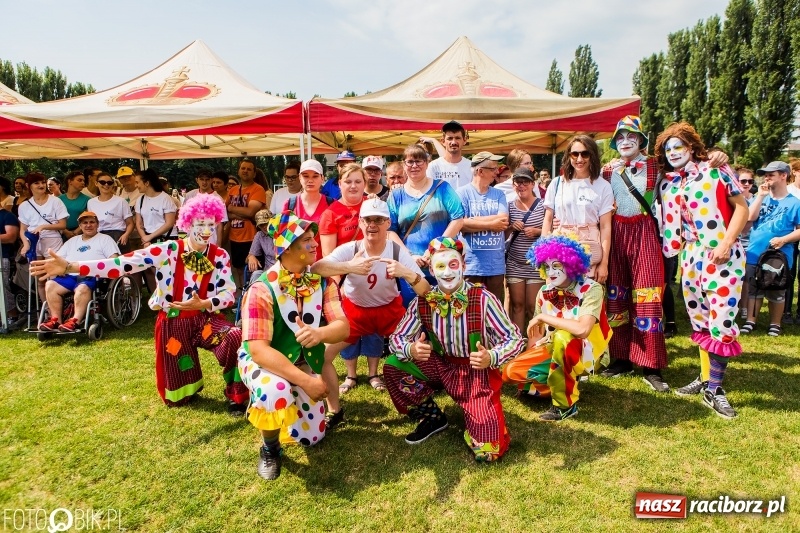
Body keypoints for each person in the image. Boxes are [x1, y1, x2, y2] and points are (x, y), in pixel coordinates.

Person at [32, 194, 249, 412]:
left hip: (205, 320)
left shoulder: (220, 255)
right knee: (179, 394)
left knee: (234, 336)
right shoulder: (167, 250)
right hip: (173, 323)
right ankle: (187, 388)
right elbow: (121, 264)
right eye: (200, 224)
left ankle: (237, 394)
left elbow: (229, 293)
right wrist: (71, 267)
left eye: (211, 225)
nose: (206, 231)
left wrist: (205, 303)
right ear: (188, 224)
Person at [383, 237, 524, 462]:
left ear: (464, 265)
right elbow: (396, 339)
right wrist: (411, 349)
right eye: (440, 266)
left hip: (475, 372)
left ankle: (477, 418)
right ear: (431, 270)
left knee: (489, 452)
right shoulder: (423, 301)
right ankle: (432, 417)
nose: (447, 272)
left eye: (453, 264)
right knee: (393, 365)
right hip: (440, 364)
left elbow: (514, 338)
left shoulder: (483, 299)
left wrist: (492, 356)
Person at [237, 211, 350, 480]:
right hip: (263, 364)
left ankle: (290, 410)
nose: (315, 244)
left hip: (301, 363)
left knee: (312, 437)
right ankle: (270, 447)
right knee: (275, 390)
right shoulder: (261, 289)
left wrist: (320, 333)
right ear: (287, 248)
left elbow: (343, 327)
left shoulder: (322, 282)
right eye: (307, 240)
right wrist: (307, 381)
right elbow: (258, 350)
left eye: (313, 238)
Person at [655, 122, 748, 419]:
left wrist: (726, 243)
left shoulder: (716, 170)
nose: (673, 153)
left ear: (692, 147)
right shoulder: (669, 182)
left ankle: (715, 389)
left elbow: (742, 208)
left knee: (721, 321)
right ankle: (705, 377)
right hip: (691, 256)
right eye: (668, 149)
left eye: (678, 147)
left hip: (722, 254)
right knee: (701, 320)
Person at [313, 199, 430, 405]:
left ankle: (420, 401)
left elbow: (426, 291)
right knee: (321, 356)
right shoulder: (351, 249)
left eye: (378, 220)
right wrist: (349, 266)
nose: (372, 225)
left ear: (388, 223)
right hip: (355, 312)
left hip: (389, 311)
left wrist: (407, 274)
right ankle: (334, 410)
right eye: (367, 220)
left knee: (419, 350)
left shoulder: (396, 251)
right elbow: (316, 268)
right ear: (360, 222)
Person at [502, 233, 611, 418]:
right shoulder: (544, 292)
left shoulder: (592, 289)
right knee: (510, 372)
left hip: (588, 351)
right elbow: (536, 336)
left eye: (557, 266)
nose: (551, 272)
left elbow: (582, 330)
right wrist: (526, 383)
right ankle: (563, 380)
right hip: (552, 347)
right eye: (546, 266)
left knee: (563, 337)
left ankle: (565, 406)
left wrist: (544, 317)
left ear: (571, 264)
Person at [597, 116, 668, 391]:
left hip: (645, 232)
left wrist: (718, 159)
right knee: (617, 297)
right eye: (620, 137)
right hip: (616, 234)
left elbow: (690, 165)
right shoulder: (606, 171)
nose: (626, 141)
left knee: (648, 296)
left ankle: (651, 365)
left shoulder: (657, 166)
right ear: (615, 143)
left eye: (631, 136)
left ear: (641, 140)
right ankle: (621, 358)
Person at [388, 144, 465, 303]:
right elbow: (390, 230)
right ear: (404, 165)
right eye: (410, 162)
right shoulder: (395, 195)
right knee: (413, 310)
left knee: (445, 308)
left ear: (427, 163)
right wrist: (409, 256)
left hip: (443, 262)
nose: (414, 165)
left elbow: (458, 219)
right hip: (410, 266)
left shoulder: (442, 187)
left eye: (419, 161)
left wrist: (435, 249)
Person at [541, 135, 613, 284]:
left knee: (587, 295)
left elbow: (606, 226)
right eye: (575, 154)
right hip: (560, 248)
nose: (579, 159)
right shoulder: (557, 183)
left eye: (585, 154)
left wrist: (604, 263)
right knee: (559, 295)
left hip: (590, 250)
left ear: (592, 155)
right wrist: (543, 255)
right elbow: (547, 220)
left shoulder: (603, 186)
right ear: (569, 156)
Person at [740, 161, 800, 337]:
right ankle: (751, 321)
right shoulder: (760, 198)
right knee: (754, 289)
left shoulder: (795, 203)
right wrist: (760, 196)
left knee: (776, 290)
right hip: (754, 252)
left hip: (779, 255)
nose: (766, 177)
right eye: (765, 175)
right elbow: (749, 218)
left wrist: (784, 239)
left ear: (783, 175)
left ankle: (775, 324)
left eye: (771, 174)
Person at [37, 211, 120, 333]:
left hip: (92, 276)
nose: (88, 225)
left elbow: (114, 260)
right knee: (50, 284)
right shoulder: (72, 241)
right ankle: (55, 320)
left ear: (97, 224)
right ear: (80, 226)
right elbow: (58, 259)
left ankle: (74, 321)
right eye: (85, 223)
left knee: (82, 288)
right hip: (70, 276)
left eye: (92, 222)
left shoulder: (105, 239)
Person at [458, 151, 508, 302]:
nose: (496, 172)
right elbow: (460, 224)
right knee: (469, 308)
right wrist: (492, 224)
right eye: (493, 169)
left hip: (495, 265)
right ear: (480, 171)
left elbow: (503, 219)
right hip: (471, 265)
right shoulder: (462, 193)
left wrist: (472, 221)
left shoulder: (499, 194)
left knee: (494, 308)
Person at [504, 167, 546, 335]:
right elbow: (502, 235)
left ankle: (534, 343)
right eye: (518, 182)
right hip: (514, 263)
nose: (521, 186)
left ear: (533, 184)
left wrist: (537, 232)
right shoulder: (508, 206)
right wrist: (511, 227)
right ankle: (518, 342)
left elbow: (552, 231)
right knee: (517, 305)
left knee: (532, 306)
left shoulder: (543, 205)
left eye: (525, 182)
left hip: (536, 264)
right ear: (513, 185)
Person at [227, 159, 267, 289]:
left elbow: (251, 212)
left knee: (253, 269)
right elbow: (225, 212)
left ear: (254, 174)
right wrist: (236, 213)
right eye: (243, 168)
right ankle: (242, 292)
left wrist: (232, 208)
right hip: (234, 237)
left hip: (252, 237)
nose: (245, 171)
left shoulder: (258, 189)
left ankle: (253, 292)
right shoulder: (232, 190)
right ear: (238, 171)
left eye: (249, 169)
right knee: (238, 268)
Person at [283, 159, 334, 261]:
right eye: (306, 176)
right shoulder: (289, 205)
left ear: (322, 178)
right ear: (300, 178)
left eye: (315, 176)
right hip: (298, 266)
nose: (310, 180)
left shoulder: (332, 204)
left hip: (326, 264)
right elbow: (284, 240)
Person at [18, 172, 68, 263]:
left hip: (52, 240)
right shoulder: (24, 206)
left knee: (52, 269)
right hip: (33, 241)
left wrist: (43, 226)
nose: (41, 185)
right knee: (37, 271)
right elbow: (23, 229)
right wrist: (25, 244)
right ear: (28, 185)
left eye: (43, 182)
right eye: (36, 183)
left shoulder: (56, 201)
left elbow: (63, 225)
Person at [87, 171, 134, 252]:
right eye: (102, 182)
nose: (106, 185)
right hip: (98, 235)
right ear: (96, 183)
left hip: (118, 235)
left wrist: (126, 235)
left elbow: (130, 223)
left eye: (109, 183)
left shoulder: (121, 201)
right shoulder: (91, 202)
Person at [424, 121, 472, 190]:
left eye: (457, 138)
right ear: (443, 141)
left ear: (464, 140)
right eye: (450, 138)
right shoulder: (433, 167)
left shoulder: (471, 167)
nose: (453, 142)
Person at [736, 167, 757, 321]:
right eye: (743, 181)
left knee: (746, 280)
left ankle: (744, 308)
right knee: (735, 278)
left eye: (750, 181)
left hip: (750, 244)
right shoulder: (732, 197)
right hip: (734, 242)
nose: (747, 184)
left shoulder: (756, 199)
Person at [0, 195, 20, 325]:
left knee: (2, 287)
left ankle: (12, 315)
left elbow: (11, 237)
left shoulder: (8, 216)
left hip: (2, 256)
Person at [245, 208, 277, 283]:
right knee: (256, 274)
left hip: (283, 271)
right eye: (261, 225)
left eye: (266, 223)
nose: (264, 227)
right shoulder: (260, 235)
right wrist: (251, 257)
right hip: (267, 272)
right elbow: (247, 259)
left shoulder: (283, 233)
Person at [60, 171, 91, 240]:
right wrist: (65, 232)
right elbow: (54, 218)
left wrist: (76, 232)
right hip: (61, 233)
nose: (83, 183)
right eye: (79, 180)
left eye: (83, 181)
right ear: (70, 181)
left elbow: (89, 218)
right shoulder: (59, 199)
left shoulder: (88, 200)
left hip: (80, 233)